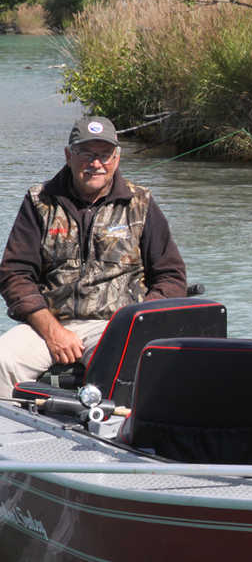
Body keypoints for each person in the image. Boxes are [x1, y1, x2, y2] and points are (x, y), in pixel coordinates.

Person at [0, 116, 187, 398]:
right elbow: (14, 275)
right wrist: (53, 332)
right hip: (48, 323)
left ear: (117, 158)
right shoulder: (39, 201)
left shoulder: (141, 203)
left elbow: (171, 277)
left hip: (115, 327)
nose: (95, 163)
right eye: (86, 153)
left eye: (104, 155)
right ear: (68, 155)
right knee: (3, 361)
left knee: (127, 368)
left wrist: (136, 324)